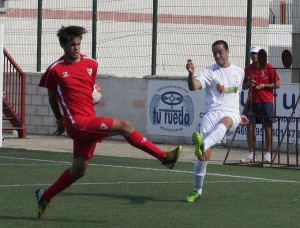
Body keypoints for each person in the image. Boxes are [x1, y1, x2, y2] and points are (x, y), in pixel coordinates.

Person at [35, 25, 182, 219]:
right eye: (72, 44)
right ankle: (164, 157)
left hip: (89, 119)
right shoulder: (55, 70)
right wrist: (59, 119)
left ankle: (45, 196)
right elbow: (53, 96)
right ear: (63, 45)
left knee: (79, 169)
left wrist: (94, 92)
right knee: (125, 126)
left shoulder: (91, 63)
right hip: (77, 123)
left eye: (79, 43)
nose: (77, 48)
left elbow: (90, 87)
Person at [185, 40, 249, 203]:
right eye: (214, 53)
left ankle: (203, 145)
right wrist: (191, 74)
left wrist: (239, 114)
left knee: (226, 121)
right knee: (203, 158)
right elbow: (193, 87)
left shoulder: (239, 72)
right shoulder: (210, 72)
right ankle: (197, 190)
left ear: (228, 51)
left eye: (220, 51)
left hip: (231, 114)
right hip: (211, 114)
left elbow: (235, 97)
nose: (217, 55)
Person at [240, 45, 280, 163]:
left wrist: (264, 86)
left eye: (256, 53)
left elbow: (277, 84)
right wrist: (249, 84)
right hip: (252, 102)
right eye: (252, 53)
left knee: (267, 126)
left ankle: (268, 154)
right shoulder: (247, 69)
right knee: (250, 126)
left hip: (266, 102)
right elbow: (242, 86)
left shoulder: (269, 67)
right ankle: (251, 154)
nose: (254, 56)